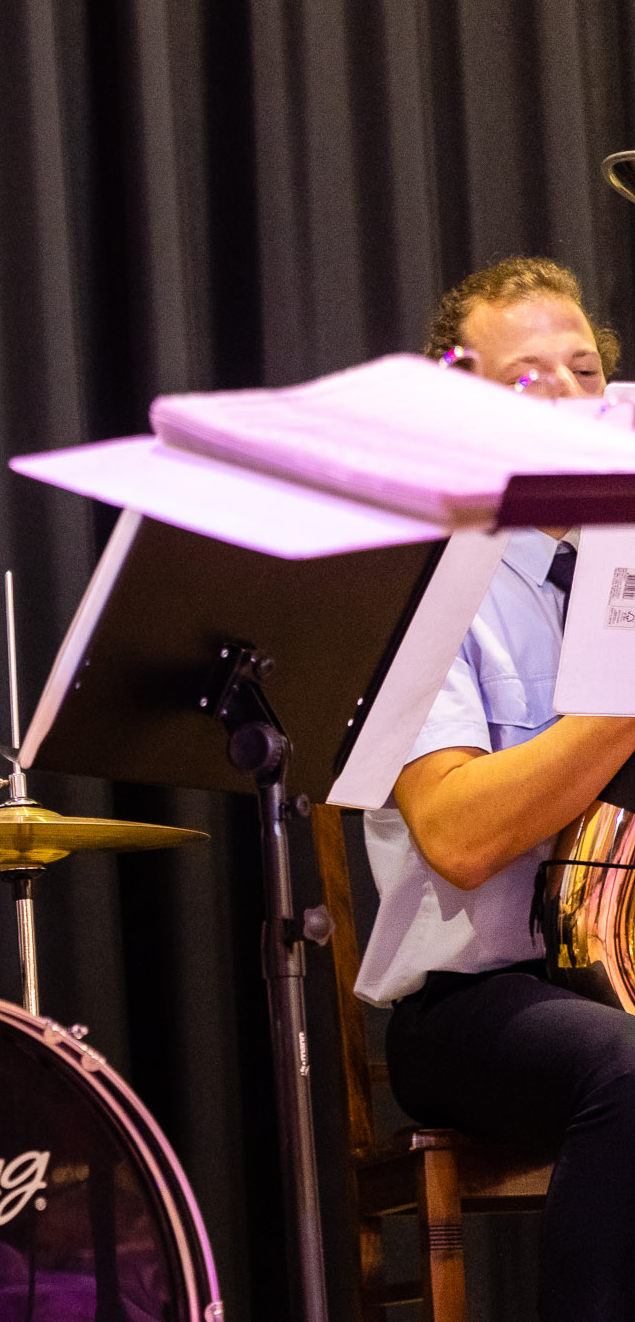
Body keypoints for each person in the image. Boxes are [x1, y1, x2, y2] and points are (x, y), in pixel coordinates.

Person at [357, 256, 635, 1321]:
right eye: (526, 379)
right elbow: (459, 837)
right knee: (627, 1067)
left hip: (621, 970)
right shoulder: (430, 585)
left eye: (584, 371)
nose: (566, 395)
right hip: (474, 1001)